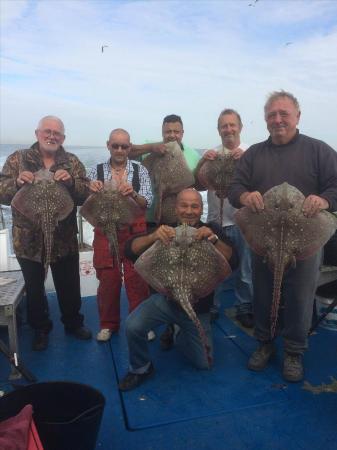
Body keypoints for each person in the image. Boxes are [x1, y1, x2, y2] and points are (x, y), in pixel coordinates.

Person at [228, 91, 337, 382]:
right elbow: (234, 188)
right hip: (263, 239)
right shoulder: (254, 155)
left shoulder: (319, 151)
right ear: (265, 120)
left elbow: (335, 185)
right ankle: (264, 342)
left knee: (301, 297)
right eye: (272, 115)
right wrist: (244, 195)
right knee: (262, 292)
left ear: (297, 116)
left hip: (306, 240)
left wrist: (325, 200)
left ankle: (294, 351)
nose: (278, 120)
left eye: (284, 114)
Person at [118, 188, 237, 391]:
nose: (189, 211)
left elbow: (234, 260)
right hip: (165, 299)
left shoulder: (211, 230)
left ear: (201, 210)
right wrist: (153, 237)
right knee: (132, 326)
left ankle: (177, 331)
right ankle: (141, 368)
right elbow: (129, 250)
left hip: (197, 306)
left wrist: (214, 240)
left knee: (203, 364)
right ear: (176, 208)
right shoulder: (164, 230)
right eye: (184, 205)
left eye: (194, 206)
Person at [0, 116, 92, 351]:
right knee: (34, 288)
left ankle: (73, 323)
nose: (52, 136)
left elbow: (85, 195)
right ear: (37, 133)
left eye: (57, 133)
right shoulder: (17, 159)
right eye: (47, 131)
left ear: (63, 138)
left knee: (69, 285)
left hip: (64, 238)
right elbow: (2, 194)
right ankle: (40, 328)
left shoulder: (71, 162)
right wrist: (17, 183)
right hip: (28, 240)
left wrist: (71, 182)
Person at [87, 129, 153, 342]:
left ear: (129, 148)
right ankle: (108, 324)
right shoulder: (95, 171)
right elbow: (87, 205)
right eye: (115, 145)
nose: (119, 150)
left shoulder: (139, 170)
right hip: (106, 233)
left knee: (138, 279)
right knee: (108, 280)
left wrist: (132, 193)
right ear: (108, 145)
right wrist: (91, 189)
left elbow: (147, 202)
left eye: (124, 146)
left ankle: (141, 323)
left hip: (134, 233)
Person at [195, 109, 254, 328]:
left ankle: (244, 307)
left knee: (246, 269)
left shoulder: (252, 152)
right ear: (218, 130)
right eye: (223, 126)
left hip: (243, 222)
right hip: (215, 221)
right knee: (213, 267)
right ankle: (212, 306)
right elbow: (199, 184)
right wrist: (202, 162)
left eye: (232, 125)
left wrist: (246, 160)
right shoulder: (213, 154)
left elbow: (261, 182)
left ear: (240, 127)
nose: (228, 129)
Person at [129, 114, 200, 224]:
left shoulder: (193, 155)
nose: (172, 135)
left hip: (178, 219)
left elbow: (200, 185)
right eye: (168, 132)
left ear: (182, 133)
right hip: (149, 217)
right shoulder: (151, 147)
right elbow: (126, 152)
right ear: (162, 132)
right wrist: (151, 148)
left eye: (176, 132)